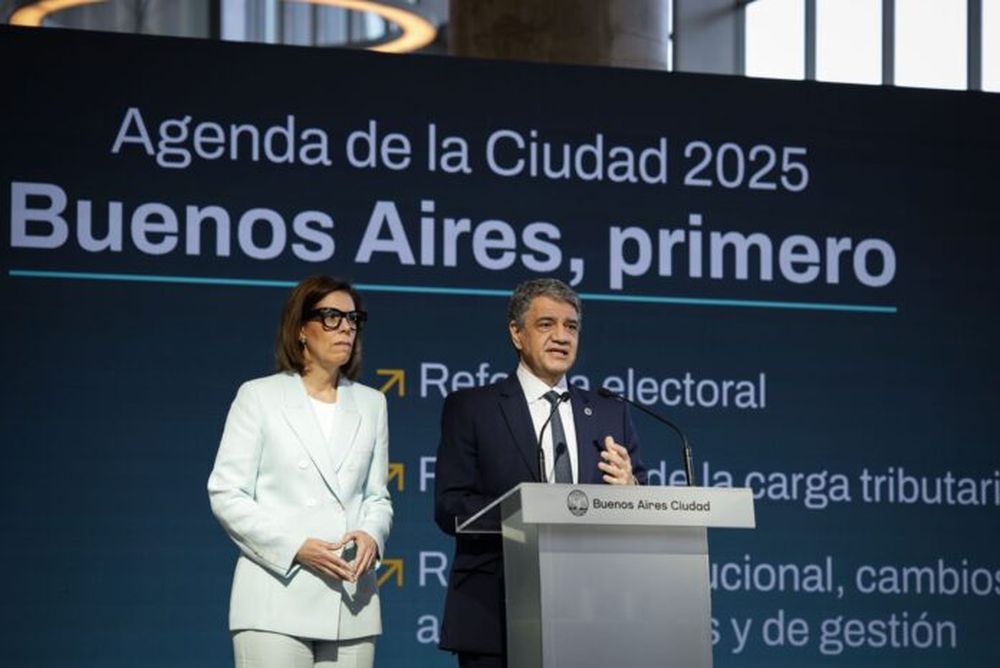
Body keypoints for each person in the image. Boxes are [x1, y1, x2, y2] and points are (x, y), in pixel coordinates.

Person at [434, 278, 647, 668]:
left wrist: (631, 488)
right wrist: (530, 515)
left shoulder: (608, 411)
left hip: (593, 611)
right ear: (517, 334)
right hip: (497, 609)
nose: (562, 336)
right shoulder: (472, 408)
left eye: (571, 326)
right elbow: (450, 507)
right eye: (546, 324)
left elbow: (641, 499)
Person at [208, 275, 393, 668]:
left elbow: (377, 496)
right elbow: (227, 493)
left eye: (353, 318)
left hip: (351, 602)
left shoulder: (372, 403)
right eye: (331, 317)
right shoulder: (259, 396)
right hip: (275, 597)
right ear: (300, 330)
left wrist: (371, 534)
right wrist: (295, 546)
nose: (345, 327)